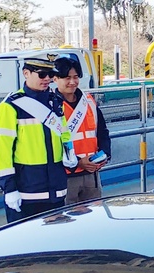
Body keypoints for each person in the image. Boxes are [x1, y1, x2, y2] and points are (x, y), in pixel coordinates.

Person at [0, 54, 73, 223]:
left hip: (56, 190)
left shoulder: (55, 102)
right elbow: (2, 151)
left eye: (51, 75)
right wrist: (9, 189)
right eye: (41, 74)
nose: (47, 79)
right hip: (26, 191)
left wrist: (70, 153)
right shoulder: (10, 106)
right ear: (26, 73)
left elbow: (64, 133)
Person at [53, 57, 111, 204]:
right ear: (55, 79)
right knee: (68, 220)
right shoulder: (50, 106)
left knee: (93, 219)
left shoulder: (88, 101)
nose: (72, 82)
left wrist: (105, 154)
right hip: (65, 175)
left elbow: (102, 132)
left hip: (92, 172)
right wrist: (78, 162)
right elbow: (50, 143)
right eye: (67, 78)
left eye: (75, 77)